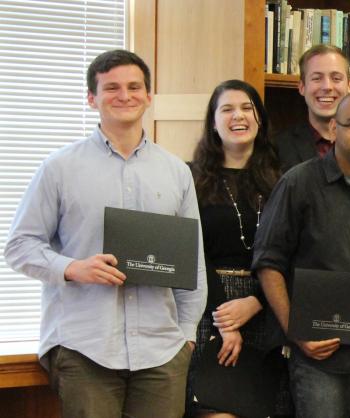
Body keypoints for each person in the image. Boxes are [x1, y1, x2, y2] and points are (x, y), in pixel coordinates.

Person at [5, 49, 206, 417]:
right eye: (111, 88)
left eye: (134, 87)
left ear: (149, 96)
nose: (124, 95)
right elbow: (19, 246)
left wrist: (186, 335)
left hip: (161, 351)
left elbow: (192, 264)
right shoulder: (59, 168)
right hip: (84, 347)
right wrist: (72, 268)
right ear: (91, 98)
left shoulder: (177, 173)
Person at [254, 92, 350, 417]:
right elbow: (269, 263)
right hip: (321, 357)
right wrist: (296, 331)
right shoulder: (298, 183)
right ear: (333, 130)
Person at [186, 80, 290, 416]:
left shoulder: (285, 180)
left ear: (259, 119)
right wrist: (224, 320)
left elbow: (294, 251)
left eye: (247, 108)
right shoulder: (189, 178)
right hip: (209, 306)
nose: (238, 116)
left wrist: (257, 301)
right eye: (227, 109)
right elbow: (192, 251)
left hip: (270, 306)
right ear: (213, 122)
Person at [273, 45, 350, 184]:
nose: (327, 86)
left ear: (349, 86)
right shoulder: (279, 147)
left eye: (336, 78)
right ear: (302, 87)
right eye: (317, 78)